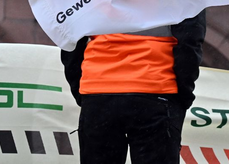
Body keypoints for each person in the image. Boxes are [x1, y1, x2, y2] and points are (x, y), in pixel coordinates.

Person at [61, 11, 206, 164]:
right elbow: (189, 40)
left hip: (98, 93)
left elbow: (70, 37)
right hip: (156, 90)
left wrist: (84, 90)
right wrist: (182, 94)